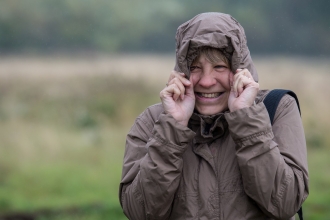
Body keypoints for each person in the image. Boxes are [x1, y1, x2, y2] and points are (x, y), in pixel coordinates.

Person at [119, 12, 308, 220]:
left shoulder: (277, 110)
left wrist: (246, 118)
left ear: (240, 69)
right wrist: (174, 127)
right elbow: (139, 212)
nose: (207, 81)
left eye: (219, 66)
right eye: (195, 68)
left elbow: (285, 203)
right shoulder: (153, 122)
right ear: (181, 72)